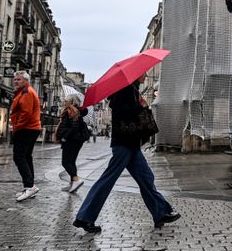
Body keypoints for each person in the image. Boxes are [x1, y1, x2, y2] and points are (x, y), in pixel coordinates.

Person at [73, 73, 180, 233]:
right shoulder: (126, 90)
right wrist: (142, 107)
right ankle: (85, 217)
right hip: (124, 143)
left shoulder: (131, 90)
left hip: (130, 143)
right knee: (107, 180)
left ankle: (161, 212)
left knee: (146, 178)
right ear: (136, 75)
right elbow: (125, 114)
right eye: (144, 72)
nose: (146, 74)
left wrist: (139, 104)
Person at [10, 71, 42, 202]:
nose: (16, 81)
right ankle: (30, 186)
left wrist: (17, 126)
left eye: (19, 79)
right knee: (26, 157)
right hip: (30, 128)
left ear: (25, 80)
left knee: (19, 157)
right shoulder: (25, 91)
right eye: (15, 79)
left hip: (26, 129)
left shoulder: (26, 92)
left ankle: (29, 186)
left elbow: (26, 113)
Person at [57, 94, 89, 193]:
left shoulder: (71, 111)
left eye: (66, 101)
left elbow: (73, 127)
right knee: (71, 162)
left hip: (71, 140)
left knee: (65, 162)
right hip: (76, 140)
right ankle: (72, 185)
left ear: (71, 102)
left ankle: (76, 179)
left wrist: (64, 137)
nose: (64, 102)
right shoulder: (76, 111)